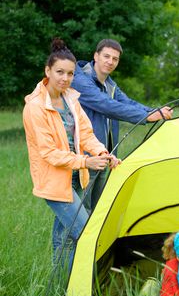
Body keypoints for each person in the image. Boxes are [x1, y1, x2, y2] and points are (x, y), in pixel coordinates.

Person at [23, 38, 121, 271]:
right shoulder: (35, 107)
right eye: (59, 72)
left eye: (69, 73)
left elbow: (86, 133)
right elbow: (49, 153)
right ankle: (88, 290)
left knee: (65, 239)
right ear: (48, 71)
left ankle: (62, 293)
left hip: (76, 177)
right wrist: (86, 160)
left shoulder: (71, 99)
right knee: (86, 232)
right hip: (54, 181)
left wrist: (102, 153)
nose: (65, 78)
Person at [71, 38, 173, 213]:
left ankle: (91, 241)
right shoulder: (81, 80)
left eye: (115, 59)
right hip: (85, 158)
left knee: (97, 213)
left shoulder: (110, 85)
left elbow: (128, 103)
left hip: (105, 155)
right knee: (79, 214)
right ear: (96, 56)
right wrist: (146, 117)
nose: (110, 62)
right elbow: (106, 105)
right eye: (106, 56)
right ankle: (69, 242)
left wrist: (156, 111)